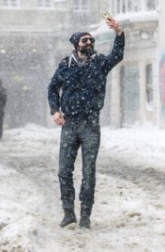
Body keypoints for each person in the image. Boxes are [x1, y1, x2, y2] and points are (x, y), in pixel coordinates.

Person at [48, 16, 124, 229]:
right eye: (85, 41)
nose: (89, 43)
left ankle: (85, 215)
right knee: (64, 170)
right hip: (70, 124)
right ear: (76, 45)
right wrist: (55, 111)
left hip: (91, 124)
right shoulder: (65, 65)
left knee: (89, 171)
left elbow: (117, 55)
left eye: (91, 40)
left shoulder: (99, 63)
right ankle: (68, 213)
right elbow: (52, 88)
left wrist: (119, 34)